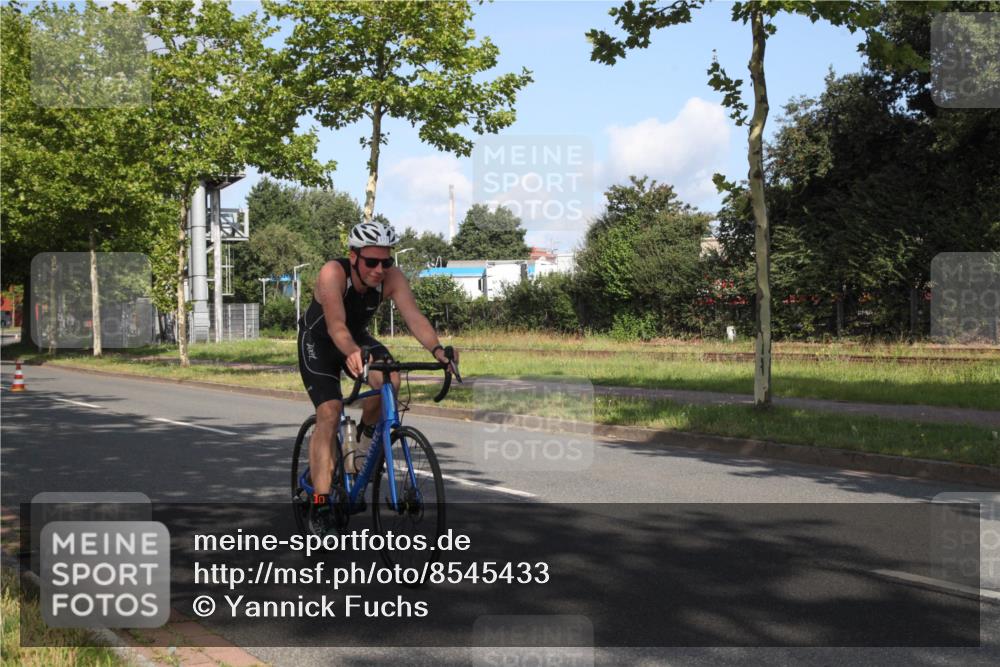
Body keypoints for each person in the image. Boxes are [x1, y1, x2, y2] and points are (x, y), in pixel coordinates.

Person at [297, 220, 459, 536]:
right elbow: (336, 326)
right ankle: (319, 503)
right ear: (353, 256)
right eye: (371, 261)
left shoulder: (392, 278)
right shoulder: (333, 273)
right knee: (329, 411)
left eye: (386, 261)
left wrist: (439, 351)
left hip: (355, 336)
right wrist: (350, 352)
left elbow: (414, 317)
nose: (379, 269)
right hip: (320, 341)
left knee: (390, 380)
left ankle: (361, 449)